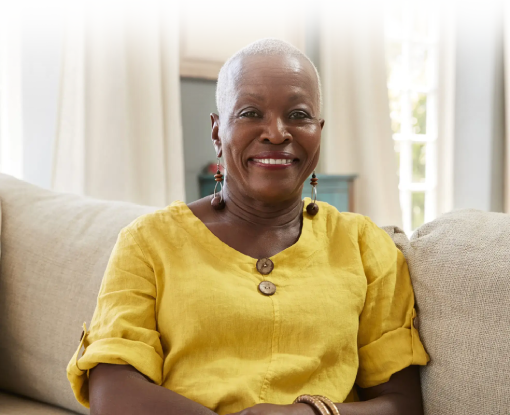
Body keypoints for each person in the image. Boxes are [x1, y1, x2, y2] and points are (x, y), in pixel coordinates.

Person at [67, 38, 429, 415]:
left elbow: (401, 405)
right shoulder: (149, 241)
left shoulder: (364, 245)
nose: (276, 132)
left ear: (318, 131)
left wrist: (308, 414)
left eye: (299, 115)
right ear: (216, 131)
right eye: (250, 113)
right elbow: (111, 395)